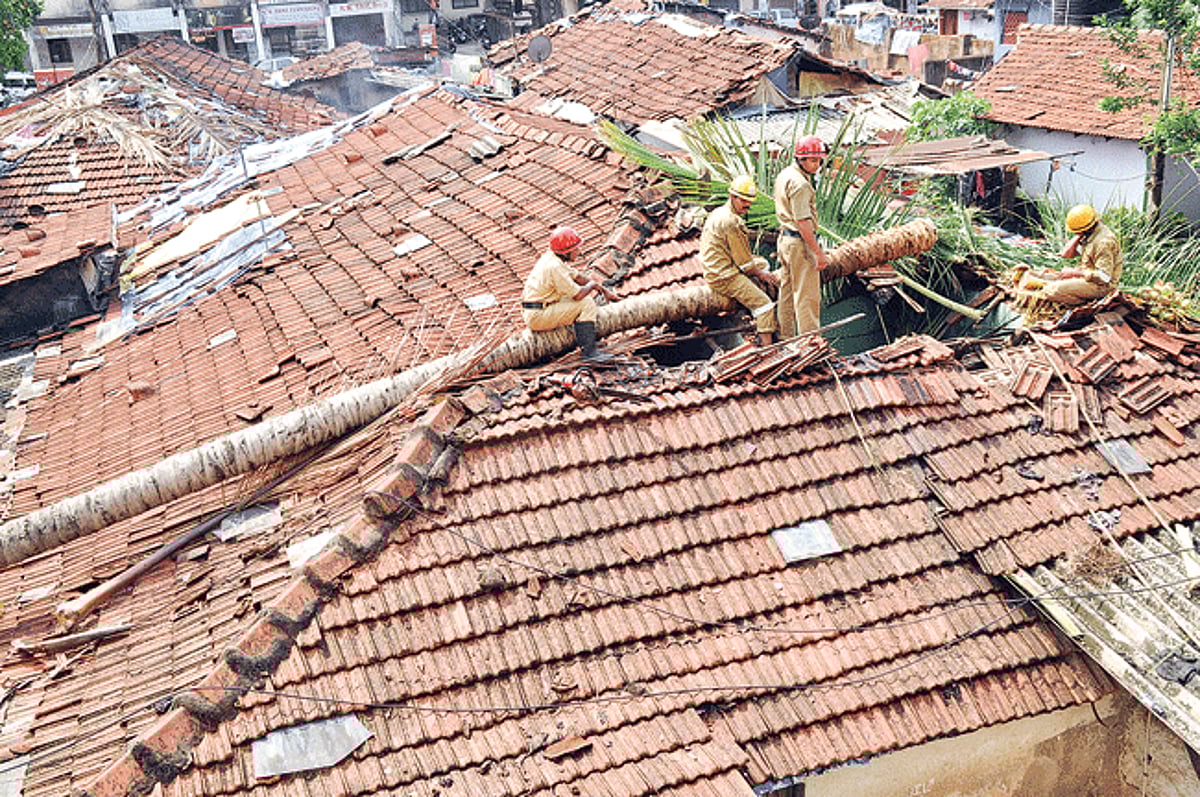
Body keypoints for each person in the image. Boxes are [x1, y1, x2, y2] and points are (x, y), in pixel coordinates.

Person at [700, 175, 780, 346]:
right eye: (743, 201)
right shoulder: (732, 222)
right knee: (764, 305)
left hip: (714, 269)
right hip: (724, 276)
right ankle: (768, 348)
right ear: (732, 196)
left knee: (763, 263)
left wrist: (758, 269)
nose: (746, 205)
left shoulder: (719, 212)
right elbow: (744, 263)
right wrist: (761, 275)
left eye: (749, 202)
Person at [522, 226, 620, 361]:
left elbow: (577, 277)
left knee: (572, 299)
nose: (579, 252)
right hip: (538, 316)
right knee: (586, 304)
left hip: (537, 310)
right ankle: (589, 353)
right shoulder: (555, 267)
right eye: (576, 249)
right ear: (566, 252)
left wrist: (603, 290)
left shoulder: (552, 257)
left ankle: (586, 340)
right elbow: (578, 295)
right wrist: (592, 285)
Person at [773, 134, 830, 337]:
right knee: (807, 297)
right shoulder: (800, 184)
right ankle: (810, 343)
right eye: (813, 160)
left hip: (785, 241)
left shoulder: (785, 175)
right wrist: (818, 252)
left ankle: (786, 338)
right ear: (800, 158)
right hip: (799, 242)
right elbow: (803, 222)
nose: (817, 165)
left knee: (787, 293)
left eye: (819, 160)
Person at [1037, 204, 1122, 305]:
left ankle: (1085, 304)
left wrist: (1075, 273)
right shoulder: (1090, 235)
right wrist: (1078, 237)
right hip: (1087, 278)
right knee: (1046, 278)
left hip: (1101, 286)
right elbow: (1066, 254)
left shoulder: (1103, 243)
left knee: (1051, 290)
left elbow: (1105, 277)